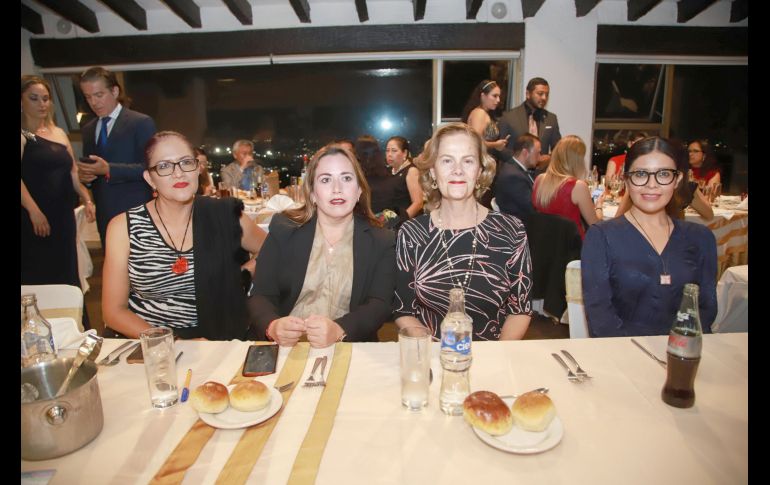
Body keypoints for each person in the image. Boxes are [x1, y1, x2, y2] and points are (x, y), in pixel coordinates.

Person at [101, 131, 267, 340]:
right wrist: (171, 343)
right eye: (164, 166)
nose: (178, 173)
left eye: (185, 162)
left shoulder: (227, 216)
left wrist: (244, 273)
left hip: (219, 338)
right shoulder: (124, 227)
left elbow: (271, 249)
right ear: (149, 179)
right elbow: (114, 311)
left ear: (197, 168)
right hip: (149, 340)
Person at [393, 122, 532, 341]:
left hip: (494, 358)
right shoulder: (411, 234)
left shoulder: (511, 230)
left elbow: (520, 309)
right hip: (433, 356)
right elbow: (403, 310)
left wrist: (497, 357)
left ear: (479, 171)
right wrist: (437, 353)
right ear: (432, 170)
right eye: (447, 160)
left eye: (467, 161)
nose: (457, 170)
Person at [249, 145, 396, 347]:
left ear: (359, 190)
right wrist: (272, 326)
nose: (337, 188)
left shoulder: (381, 240)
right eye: (326, 180)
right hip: (287, 347)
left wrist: (339, 329)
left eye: (346, 178)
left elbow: (379, 304)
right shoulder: (284, 231)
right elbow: (261, 295)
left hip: (350, 347)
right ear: (312, 193)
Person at [581, 136, 717, 337]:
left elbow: (705, 311)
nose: (651, 184)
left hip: (681, 355)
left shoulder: (700, 238)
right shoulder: (602, 237)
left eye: (663, 174)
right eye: (640, 174)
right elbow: (601, 321)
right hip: (622, 356)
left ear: (677, 180)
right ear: (626, 179)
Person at [21, 75, 96, 289]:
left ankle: (71, 319)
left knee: (66, 269)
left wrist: (87, 198)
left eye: (45, 98)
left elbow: (72, 173)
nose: (42, 104)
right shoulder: (23, 134)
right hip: (34, 216)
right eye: (34, 98)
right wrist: (34, 211)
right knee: (39, 271)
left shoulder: (58, 132)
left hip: (62, 215)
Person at [77, 67, 157, 246]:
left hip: (136, 211)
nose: (94, 102)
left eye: (99, 95)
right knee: (113, 269)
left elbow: (151, 168)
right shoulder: (89, 129)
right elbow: (91, 167)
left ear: (115, 91)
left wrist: (109, 169)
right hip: (105, 214)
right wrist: (86, 177)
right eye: (88, 97)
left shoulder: (140, 123)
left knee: (142, 269)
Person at [532, 135, 604, 239]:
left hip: (544, 245)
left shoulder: (539, 180)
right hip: (572, 248)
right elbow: (596, 225)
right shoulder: (578, 186)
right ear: (576, 160)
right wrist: (599, 207)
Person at [498, 77, 561, 171]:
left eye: (546, 95)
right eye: (540, 94)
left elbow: (559, 149)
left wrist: (549, 158)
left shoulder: (551, 119)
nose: (544, 98)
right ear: (528, 94)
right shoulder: (508, 117)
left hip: (541, 177)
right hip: (515, 174)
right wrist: (521, 160)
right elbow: (499, 149)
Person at [493, 133, 541, 222]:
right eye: (537, 153)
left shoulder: (513, 168)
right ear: (525, 153)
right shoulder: (514, 176)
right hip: (520, 227)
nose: (539, 157)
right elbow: (533, 208)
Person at [461, 80, 510, 155]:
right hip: (480, 160)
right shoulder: (479, 113)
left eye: (499, 96)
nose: (498, 100)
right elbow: (476, 142)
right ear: (483, 96)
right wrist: (495, 144)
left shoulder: (485, 113)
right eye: (494, 96)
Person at [385, 136, 424, 220]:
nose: (389, 154)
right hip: (390, 221)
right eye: (387, 150)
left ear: (405, 153)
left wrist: (400, 221)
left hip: (408, 224)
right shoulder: (387, 171)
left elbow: (418, 203)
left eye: (394, 151)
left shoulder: (411, 171)